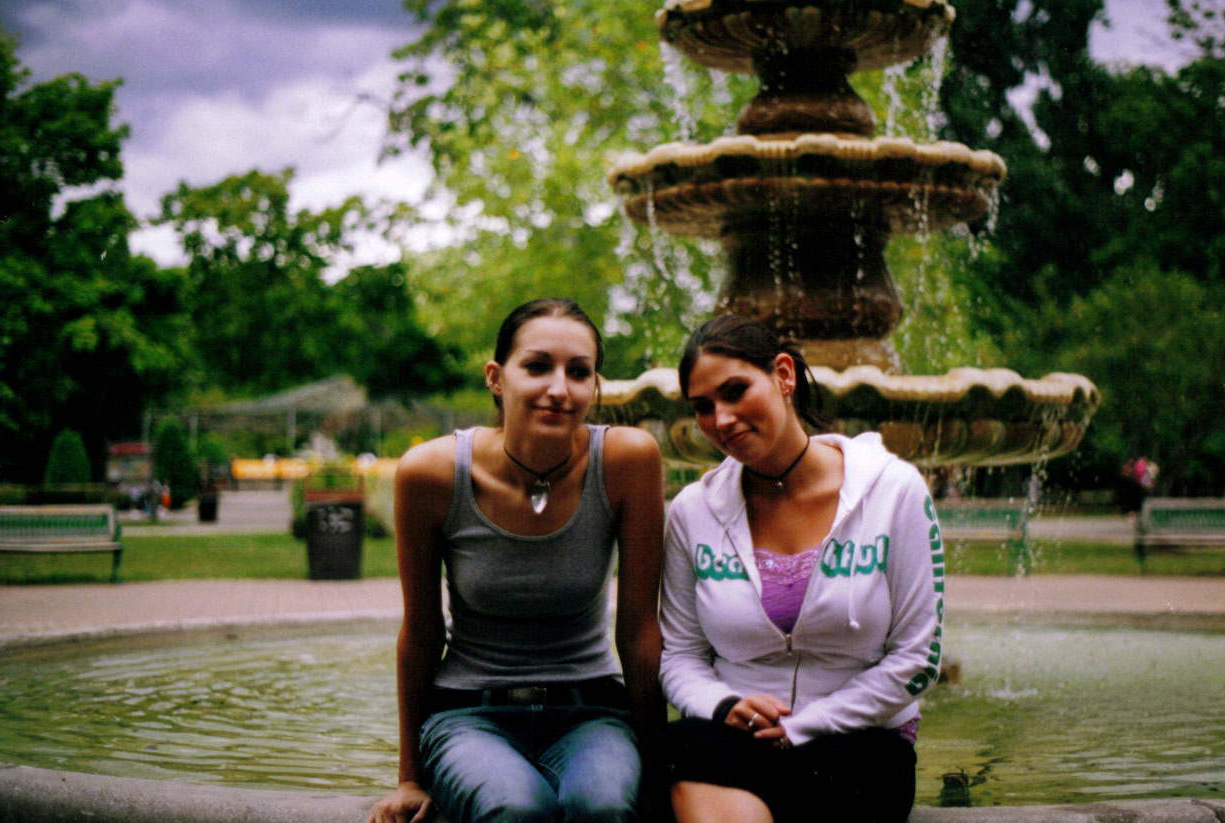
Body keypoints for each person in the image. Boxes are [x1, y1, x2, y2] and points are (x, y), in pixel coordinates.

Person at [367, 298, 666, 823]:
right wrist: (410, 778)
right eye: (537, 366)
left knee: (601, 807)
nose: (559, 388)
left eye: (579, 372)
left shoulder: (627, 462)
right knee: (517, 810)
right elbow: (420, 631)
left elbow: (639, 632)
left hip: (591, 712)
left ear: (595, 387)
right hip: (468, 714)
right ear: (496, 378)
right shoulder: (431, 474)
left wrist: (660, 774)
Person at [659, 315, 944, 823]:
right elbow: (679, 655)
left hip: (858, 743)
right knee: (680, 748)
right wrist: (723, 704)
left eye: (735, 391)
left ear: (784, 376)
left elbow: (917, 658)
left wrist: (809, 723)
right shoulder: (690, 511)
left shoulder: (894, 491)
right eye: (703, 406)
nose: (721, 419)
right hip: (731, 741)